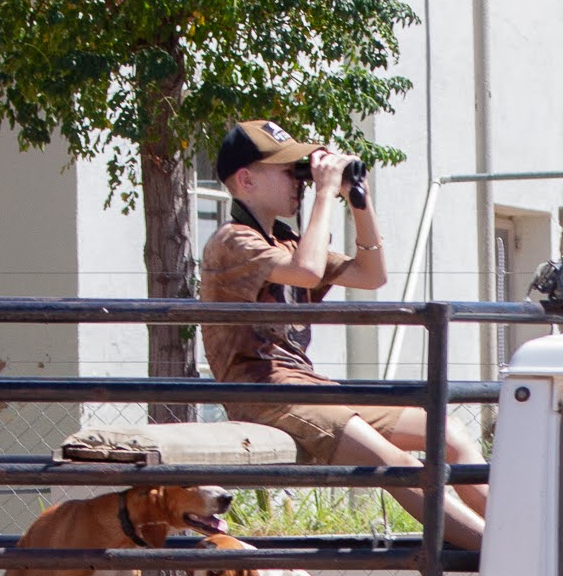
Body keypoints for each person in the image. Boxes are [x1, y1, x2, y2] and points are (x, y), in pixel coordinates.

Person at [198, 119, 488, 546]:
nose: (300, 178)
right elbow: (308, 272)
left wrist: (358, 201)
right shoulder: (232, 241)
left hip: (308, 388)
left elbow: (372, 276)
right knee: (398, 464)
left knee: (449, 435)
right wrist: (322, 195)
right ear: (246, 180)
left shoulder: (288, 241)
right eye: (287, 170)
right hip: (264, 394)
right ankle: (502, 554)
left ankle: (515, 536)